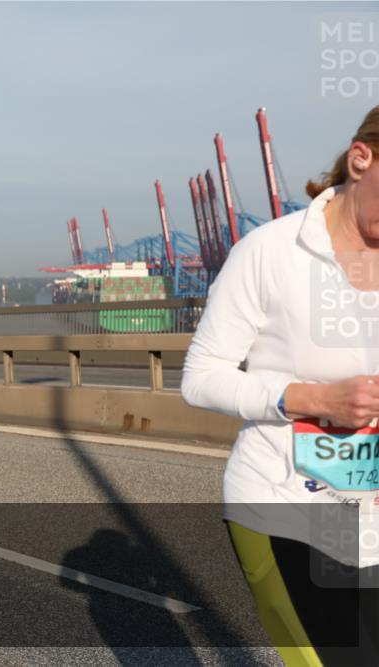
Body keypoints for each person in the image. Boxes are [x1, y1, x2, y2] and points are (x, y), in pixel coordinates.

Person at [182, 107, 379, 666]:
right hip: (286, 506)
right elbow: (200, 378)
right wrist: (316, 398)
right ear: (361, 159)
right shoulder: (270, 252)